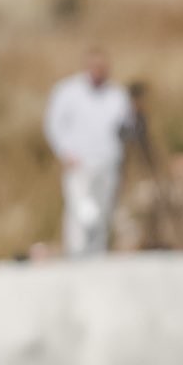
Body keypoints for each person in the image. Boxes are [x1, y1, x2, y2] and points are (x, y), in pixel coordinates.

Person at [43, 47, 134, 257]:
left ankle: (96, 253)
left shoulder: (117, 95)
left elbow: (125, 127)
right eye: (94, 67)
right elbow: (53, 124)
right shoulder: (67, 91)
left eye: (102, 67)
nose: (98, 71)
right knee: (81, 211)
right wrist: (64, 151)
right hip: (79, 163)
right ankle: (76, 253)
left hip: (108, 161)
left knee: (103, 211)